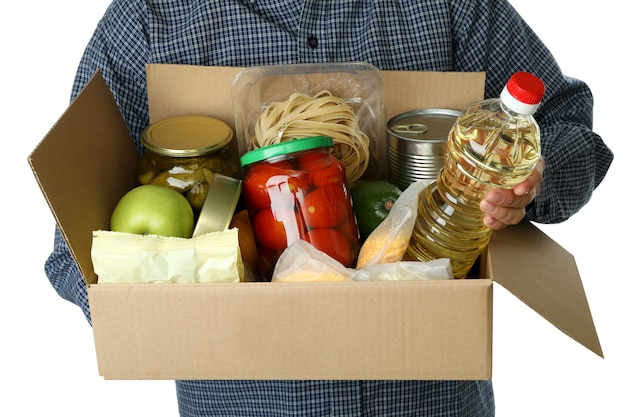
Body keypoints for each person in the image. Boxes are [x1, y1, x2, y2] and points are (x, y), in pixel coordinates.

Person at [44, 0, 613, 416]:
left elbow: (570, 128)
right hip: (243, 401)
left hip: (429, 398)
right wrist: (175, 305)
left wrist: (534, 178)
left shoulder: (452, 9)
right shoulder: (150, 19)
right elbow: (73, 257)